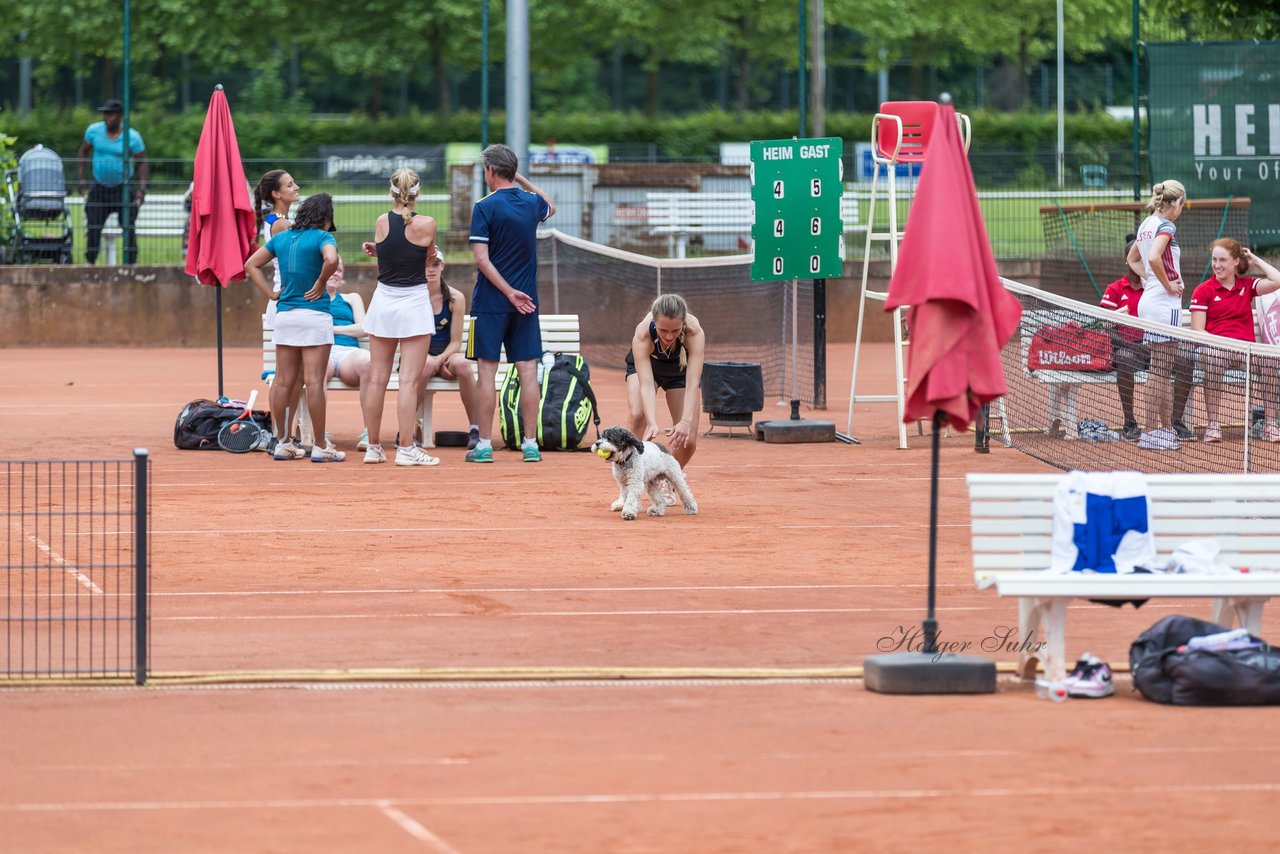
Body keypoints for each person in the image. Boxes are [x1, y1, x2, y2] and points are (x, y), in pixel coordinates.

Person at [465, 143, 556, 464]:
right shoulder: (531, 203)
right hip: (526, 303)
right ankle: (530, 445)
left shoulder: (484, 206)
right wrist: (521, 178)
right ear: (512, 171)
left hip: (490, 302)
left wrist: (506, 292)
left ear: (490, 171)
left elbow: (482, 260)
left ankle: (485, 445)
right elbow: (551, 205)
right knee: (528, 371)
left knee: (487, 373)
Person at [244, 193, 345, 463]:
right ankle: (321, 445)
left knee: (284, 380)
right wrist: (322, 281)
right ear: (325, 220)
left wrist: (272, 293)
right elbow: (332, 259)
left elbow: (250, 265)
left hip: (286, 314)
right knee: (314, 381)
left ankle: (283, 442)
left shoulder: (282, 237)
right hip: (315, 315)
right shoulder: (324, 237)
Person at [358, 168, 440, 467]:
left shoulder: (381, 221)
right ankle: (406, 448)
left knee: (378, 379)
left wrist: (378, 251)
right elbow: (428, 258)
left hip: (384, 301)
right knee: (408, 380)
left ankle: (373, 446)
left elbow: (391, 251)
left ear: (392, 192)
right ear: (417, 193)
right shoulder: (428, 224)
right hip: (414, 303)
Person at [1188, 238, 1280, 443]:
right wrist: (1223, 345)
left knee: (1271, 359)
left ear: (1236, 262)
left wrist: (1255, 259)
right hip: (1214, 350)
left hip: (1245, 351)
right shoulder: (1203, 290)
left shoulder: (1247, 285)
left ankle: (1270, 425)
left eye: (1223, 260)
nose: (1217, 265)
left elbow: (1277, 280)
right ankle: (1213, 425)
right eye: (1214, 260)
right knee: (1214, 357)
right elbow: (1197, 331)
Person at [1127, 179, 1194, 450]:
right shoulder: (1166, 225)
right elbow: (1154, 257)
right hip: (1163, 303)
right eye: (1182, 204)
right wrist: (1169, 284)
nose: (1181, 209)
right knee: (1161, 371)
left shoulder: (1145, 225)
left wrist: (1152, 281)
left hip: (1150, 300)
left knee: (1158, 369)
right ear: (1176, 203)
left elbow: (1132, 260)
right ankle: (1158, 431)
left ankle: (1154, 431)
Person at [625, 293, 706, 470]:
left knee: (688, 439)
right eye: (663, 330)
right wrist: (652, 422)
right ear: (654, 321)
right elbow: (646, 384)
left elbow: (693, 382)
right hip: (649, 367)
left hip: (679, 368)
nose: (669, 337)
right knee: (638, 416)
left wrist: (685, 421)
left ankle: (668, 481)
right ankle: (628, 488)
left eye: (675, 331)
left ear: (683, 324)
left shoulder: (695, 333)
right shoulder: (643, 335)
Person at [418, 247, 480, 447]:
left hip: (445, 355)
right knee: (425, 366)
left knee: (463, 364)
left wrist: (440, 359)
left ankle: (475, 429)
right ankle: (409, 430)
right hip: (419, 354)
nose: (431, 269)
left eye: (435, 264)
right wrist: (433, 363)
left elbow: (456, 342)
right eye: (427, 264)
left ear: (442, 266)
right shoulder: (413, 297)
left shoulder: (455, 298)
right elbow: (412, 339)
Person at [76, 99, 149, 265]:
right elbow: (83, 151)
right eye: (105, 113)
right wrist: (80, 179)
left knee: (128, 226)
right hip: (99, 187)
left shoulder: (132, 137)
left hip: (123, 188)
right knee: (93, 226)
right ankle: (90, 263)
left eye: (111, 114)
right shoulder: (93, 131)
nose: (107, 117)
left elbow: (142, 161)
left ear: (121, 116)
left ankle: (130, 264)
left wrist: (142, 189)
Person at [1099, 234, 1148, 442]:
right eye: (1135, 257)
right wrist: (1131, 345)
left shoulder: (1154, 289)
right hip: (1128, 350)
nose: (1139, 261)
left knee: (1183, 358)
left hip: (1155, 349)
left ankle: (1175, 425)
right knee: (1125, 357)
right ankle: (1130, 422)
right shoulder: (1114, 289)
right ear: (1127, 260)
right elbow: (1107, 329)